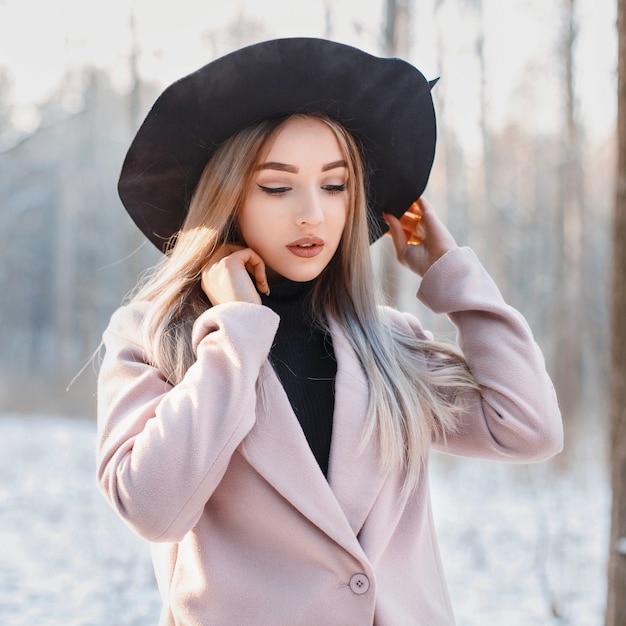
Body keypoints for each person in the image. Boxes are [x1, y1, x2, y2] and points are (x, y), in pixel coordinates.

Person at [96, 38, 563, 625]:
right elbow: (154, 509)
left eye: (335, 185)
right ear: (227, 195)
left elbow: (528, 429)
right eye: (277, 186)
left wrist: (453, 275)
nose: (312, 213)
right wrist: (236, 336)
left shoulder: (386, 340)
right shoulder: (154, 336)